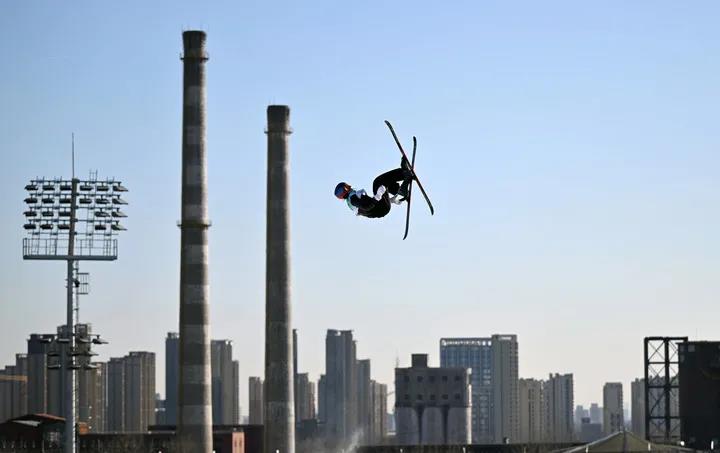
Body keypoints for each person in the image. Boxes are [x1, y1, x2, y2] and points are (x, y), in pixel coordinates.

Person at [334, 159, 413, 218]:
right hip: (381, 208)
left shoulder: (352, 200)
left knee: (383, 184)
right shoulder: (353, 199)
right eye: (345, 187)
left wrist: (391, 200)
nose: (349, 186)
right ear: (344, 191)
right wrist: (378, 195)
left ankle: (400, 190)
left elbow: (368, 207)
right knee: (377, 182)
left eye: (346, 185)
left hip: (381, 209)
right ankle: (403, 173)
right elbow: (367, 206)